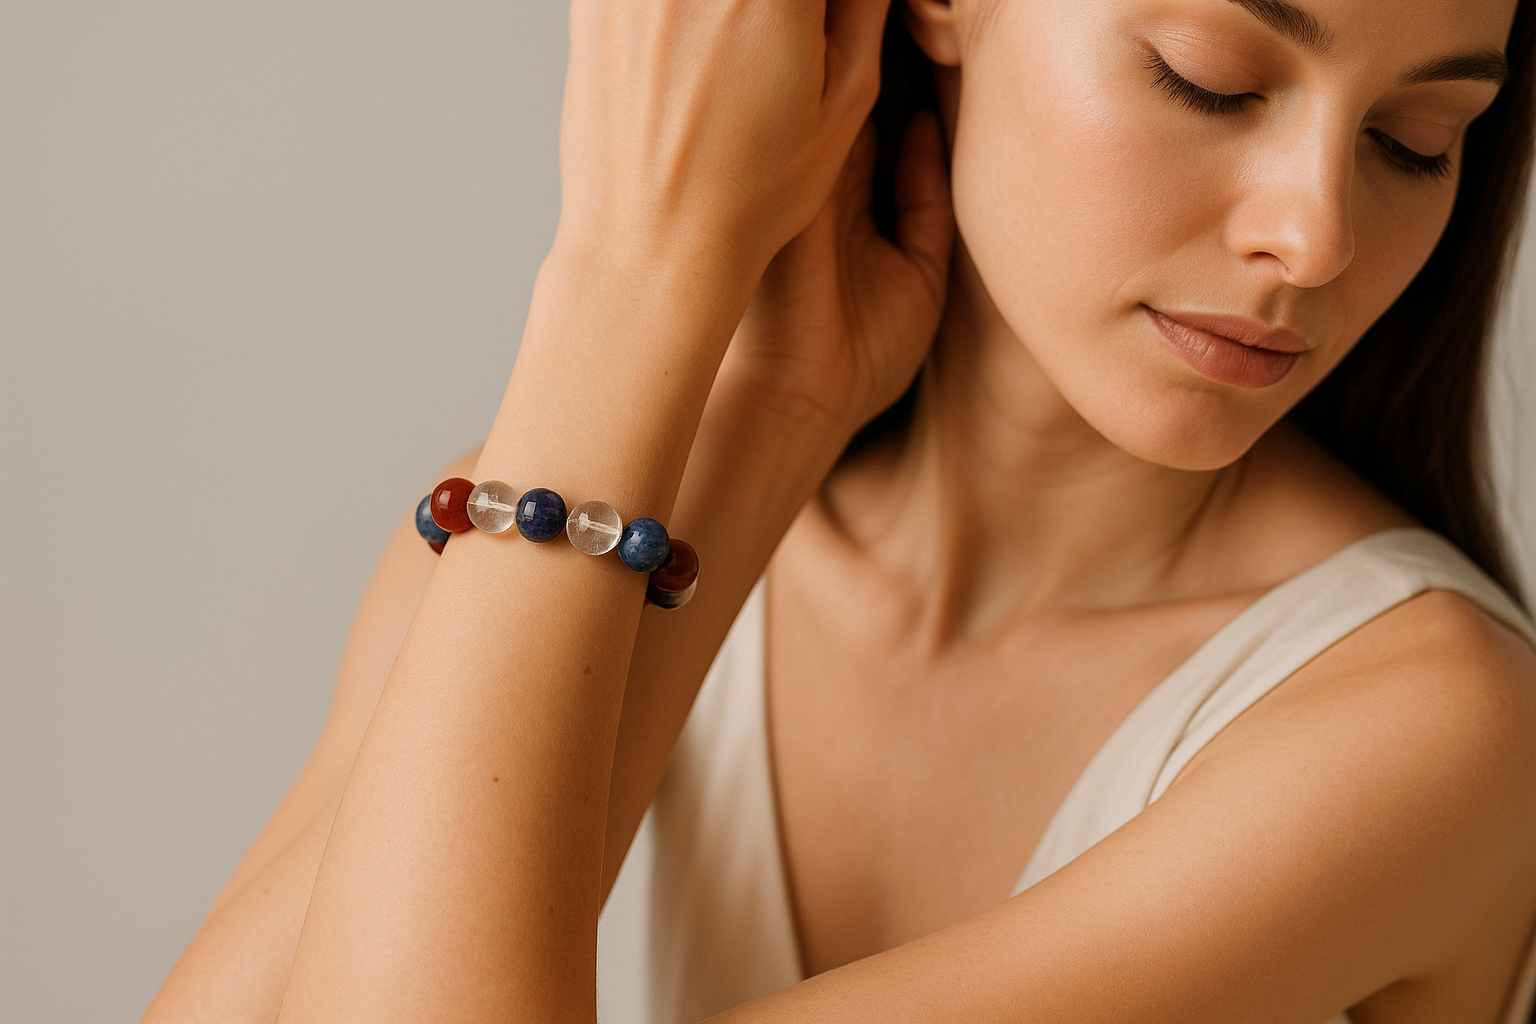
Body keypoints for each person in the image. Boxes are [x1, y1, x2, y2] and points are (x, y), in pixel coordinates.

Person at [143, 0, 1536, 1021]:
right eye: (1212, 78)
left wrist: (639, 262)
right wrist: (760, 429)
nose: (1315, 234)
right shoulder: (556, 529)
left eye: (1418, 142)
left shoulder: (1426, 734)